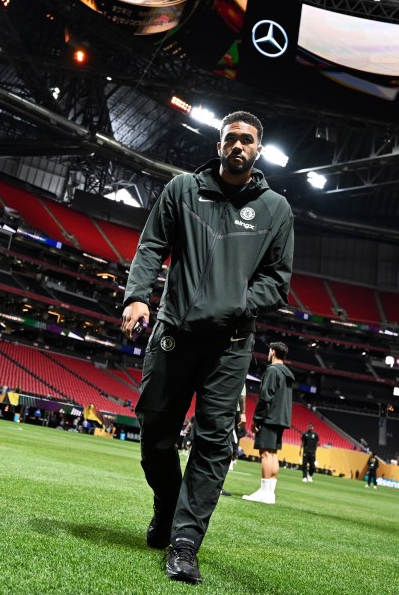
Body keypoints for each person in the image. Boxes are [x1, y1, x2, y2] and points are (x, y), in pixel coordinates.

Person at [120, 111, 294, 584]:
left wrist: (236, 303)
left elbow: (277, 281)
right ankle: (167, 502)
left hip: (230, 347)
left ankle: (184, 543)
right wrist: (137, 296)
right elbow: (151, 246)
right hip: (173, 334)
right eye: (230, 138)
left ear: (258, 149)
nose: (238, 145)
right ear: (219, 145)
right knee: (155, 431)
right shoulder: (182, 190)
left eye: (247, 140)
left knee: (214, 444)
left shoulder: (276, 209)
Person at [243, 342, 295, 505]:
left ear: (272, 352)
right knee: (272, 454)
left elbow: (265, 396)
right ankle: (269, 493)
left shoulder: (272, 370)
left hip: (270, 416)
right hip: (281, 418)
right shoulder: (288, 373)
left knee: (265, 453)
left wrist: (257, 418)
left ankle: (264, 492)